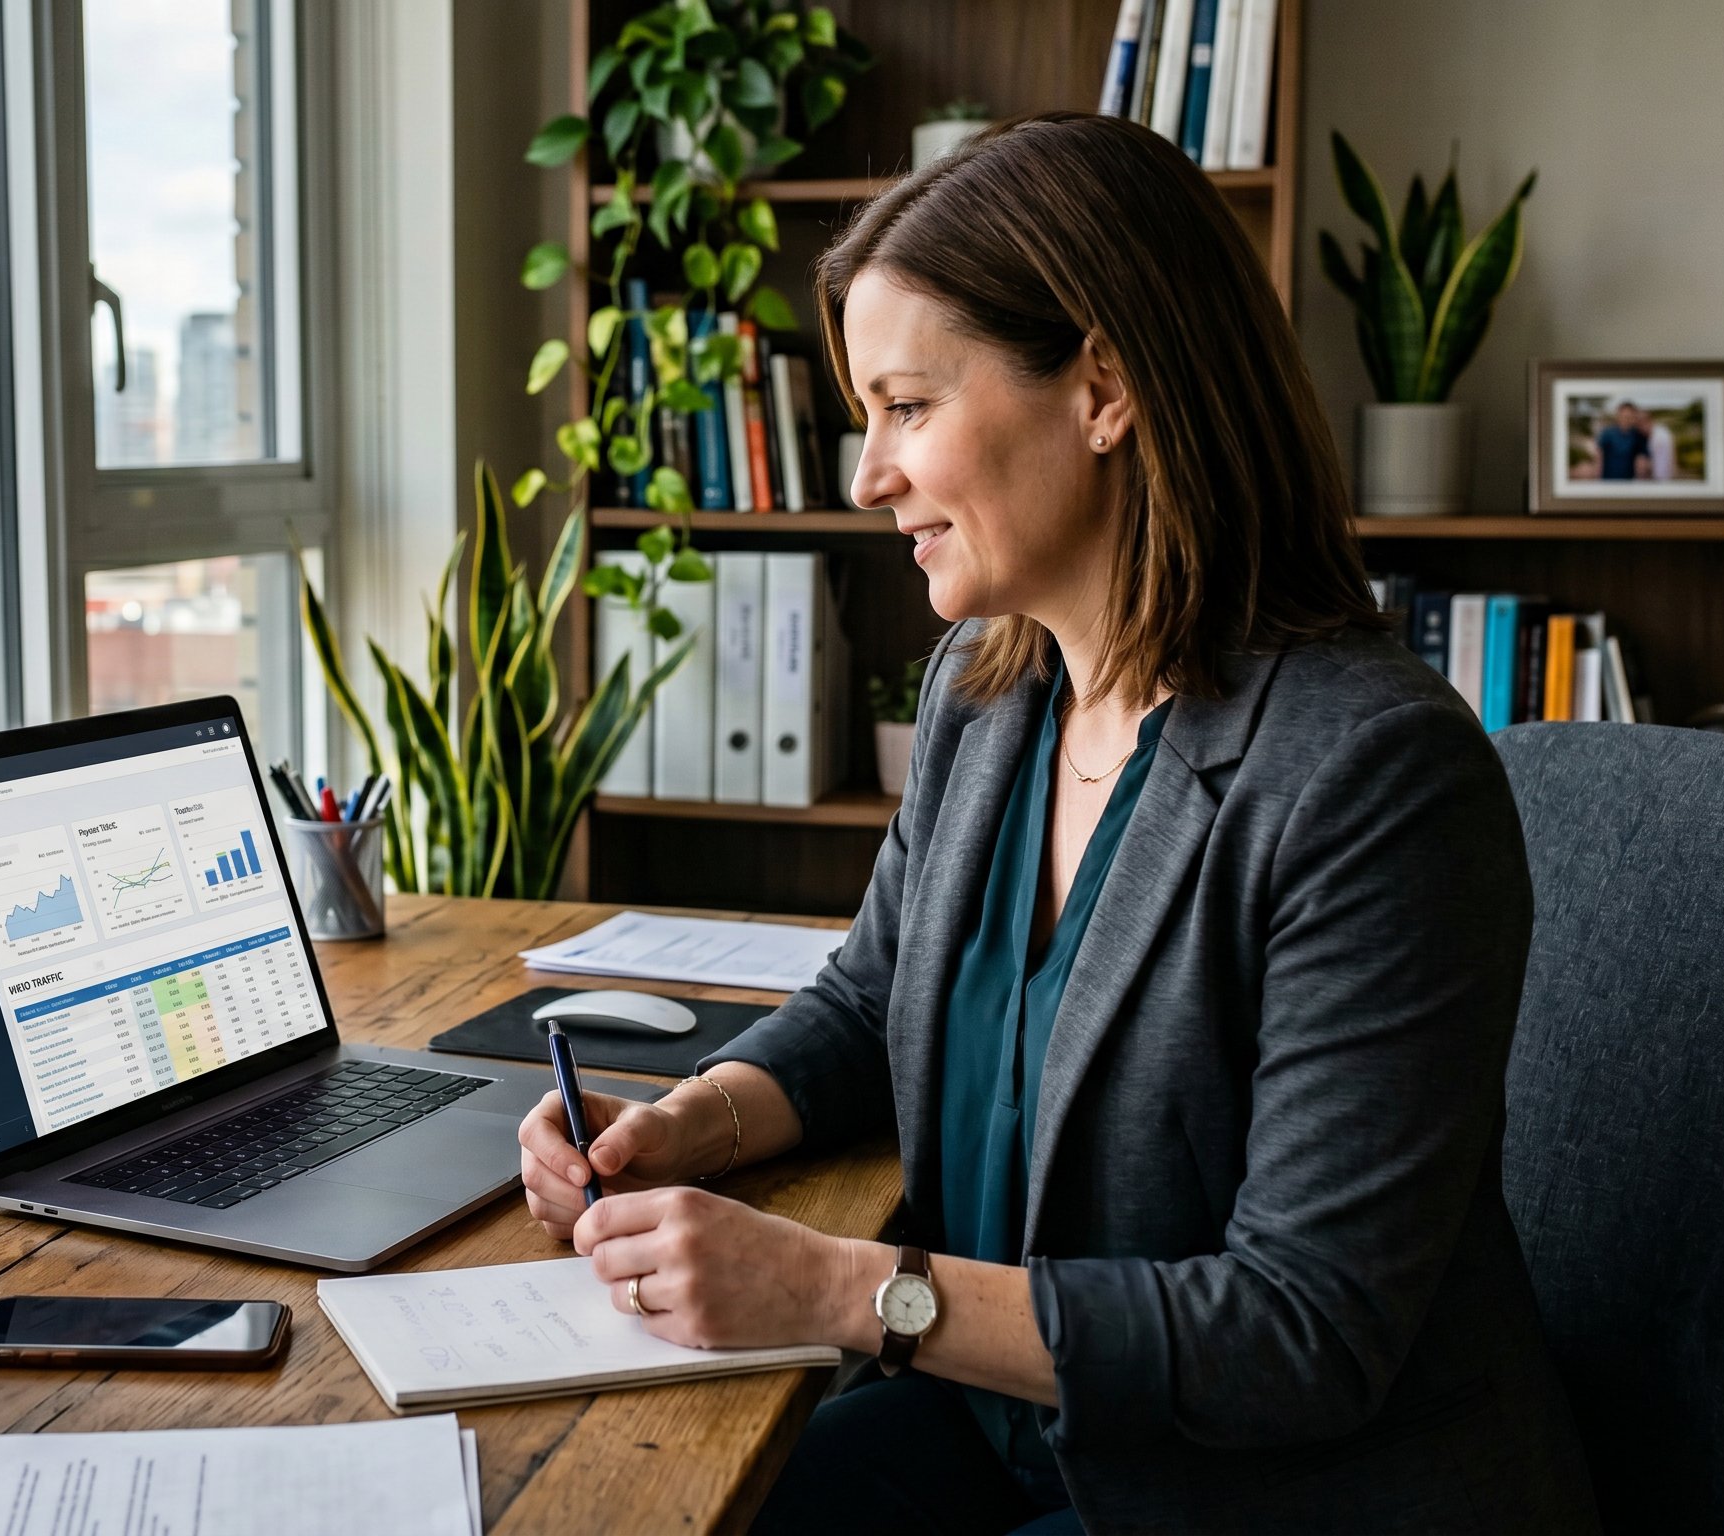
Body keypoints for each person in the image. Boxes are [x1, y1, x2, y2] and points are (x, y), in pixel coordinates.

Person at [519, 111, 1598, 1534]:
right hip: (1006, 1429)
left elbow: (1303, 1333)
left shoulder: (1372, 779)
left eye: (908, 406)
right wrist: (690, 1121)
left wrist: (840, 1288)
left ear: (1102, 385)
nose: (867, 477)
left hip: (1268, 1492)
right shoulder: (991, 686)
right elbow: (870, 1001)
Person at [1595, 400, 1651, 480]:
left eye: (1629, 417)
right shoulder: (1607, 434)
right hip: (1608, 481)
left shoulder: (1638, 436)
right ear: (1618, 415)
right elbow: (1599, 458)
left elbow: (1643, 460)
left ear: (1633, 417)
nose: (1626, 419)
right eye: (1624, 416)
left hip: (1629, 483)